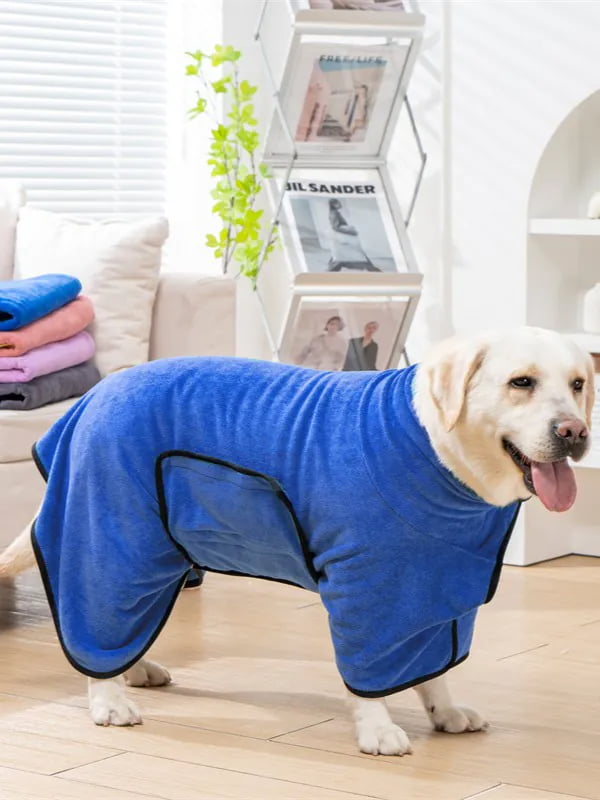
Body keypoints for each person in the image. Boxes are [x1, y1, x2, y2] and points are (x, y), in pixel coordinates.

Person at [326, 199, 381, 272]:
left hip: (342, 236)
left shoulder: (335, 212)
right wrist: (351, 232)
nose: (340, 204)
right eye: (337, 203)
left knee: (340, 254)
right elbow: (335, 227)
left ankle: (370, 267)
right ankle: (371, 268)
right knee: (357, 253)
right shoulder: (334, 214)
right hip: (343, 236)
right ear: (333, 205)